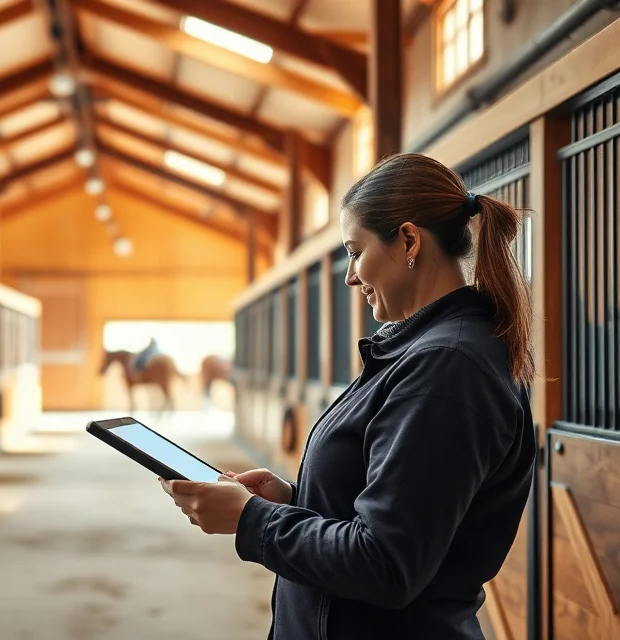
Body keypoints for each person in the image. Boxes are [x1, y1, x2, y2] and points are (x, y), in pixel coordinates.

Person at [160, 153, 537, 639]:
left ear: (407, 240)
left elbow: (386, 562)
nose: (349, 276)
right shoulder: (424, 352)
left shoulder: (446, 366)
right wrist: (293, 503)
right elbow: (403, 510)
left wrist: (252, 520)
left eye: (355, 252)